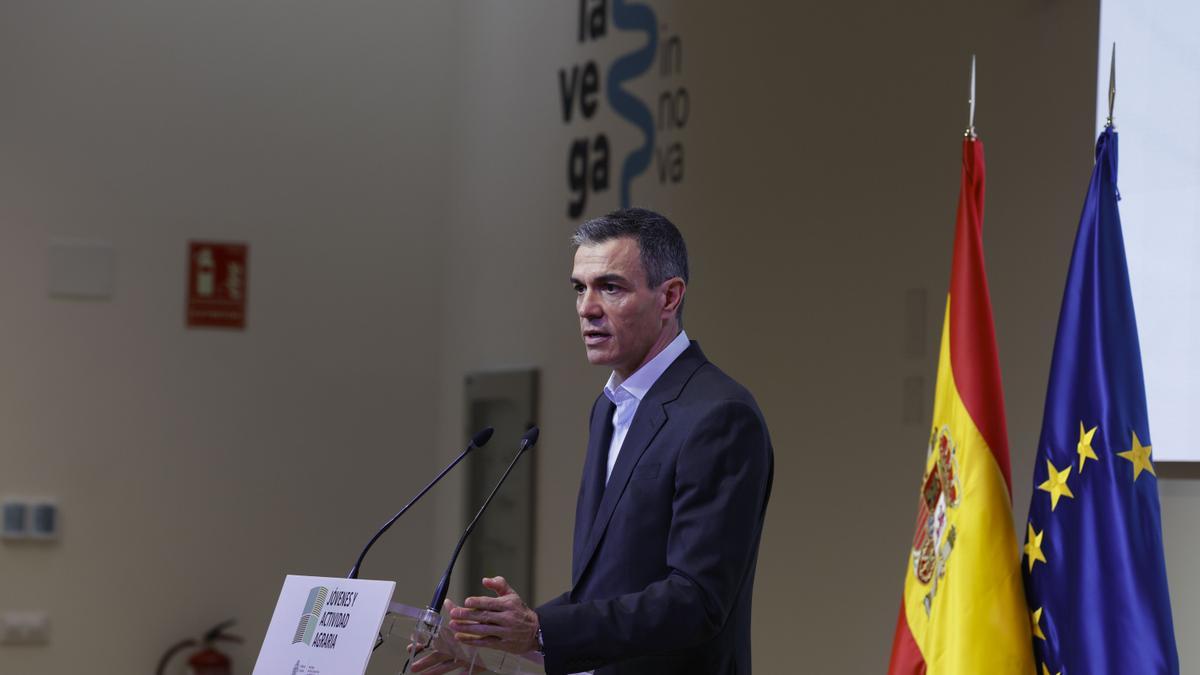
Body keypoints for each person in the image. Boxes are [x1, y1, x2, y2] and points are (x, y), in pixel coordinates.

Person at [413, 207, 774, 674]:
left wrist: (540, 631)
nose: (587, 307)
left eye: (610, 287)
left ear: (669, 297)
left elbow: (696, 600)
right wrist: (494, 643)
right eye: (579, 288)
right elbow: (603, 594)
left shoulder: (719, 415)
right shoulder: (608, 408)